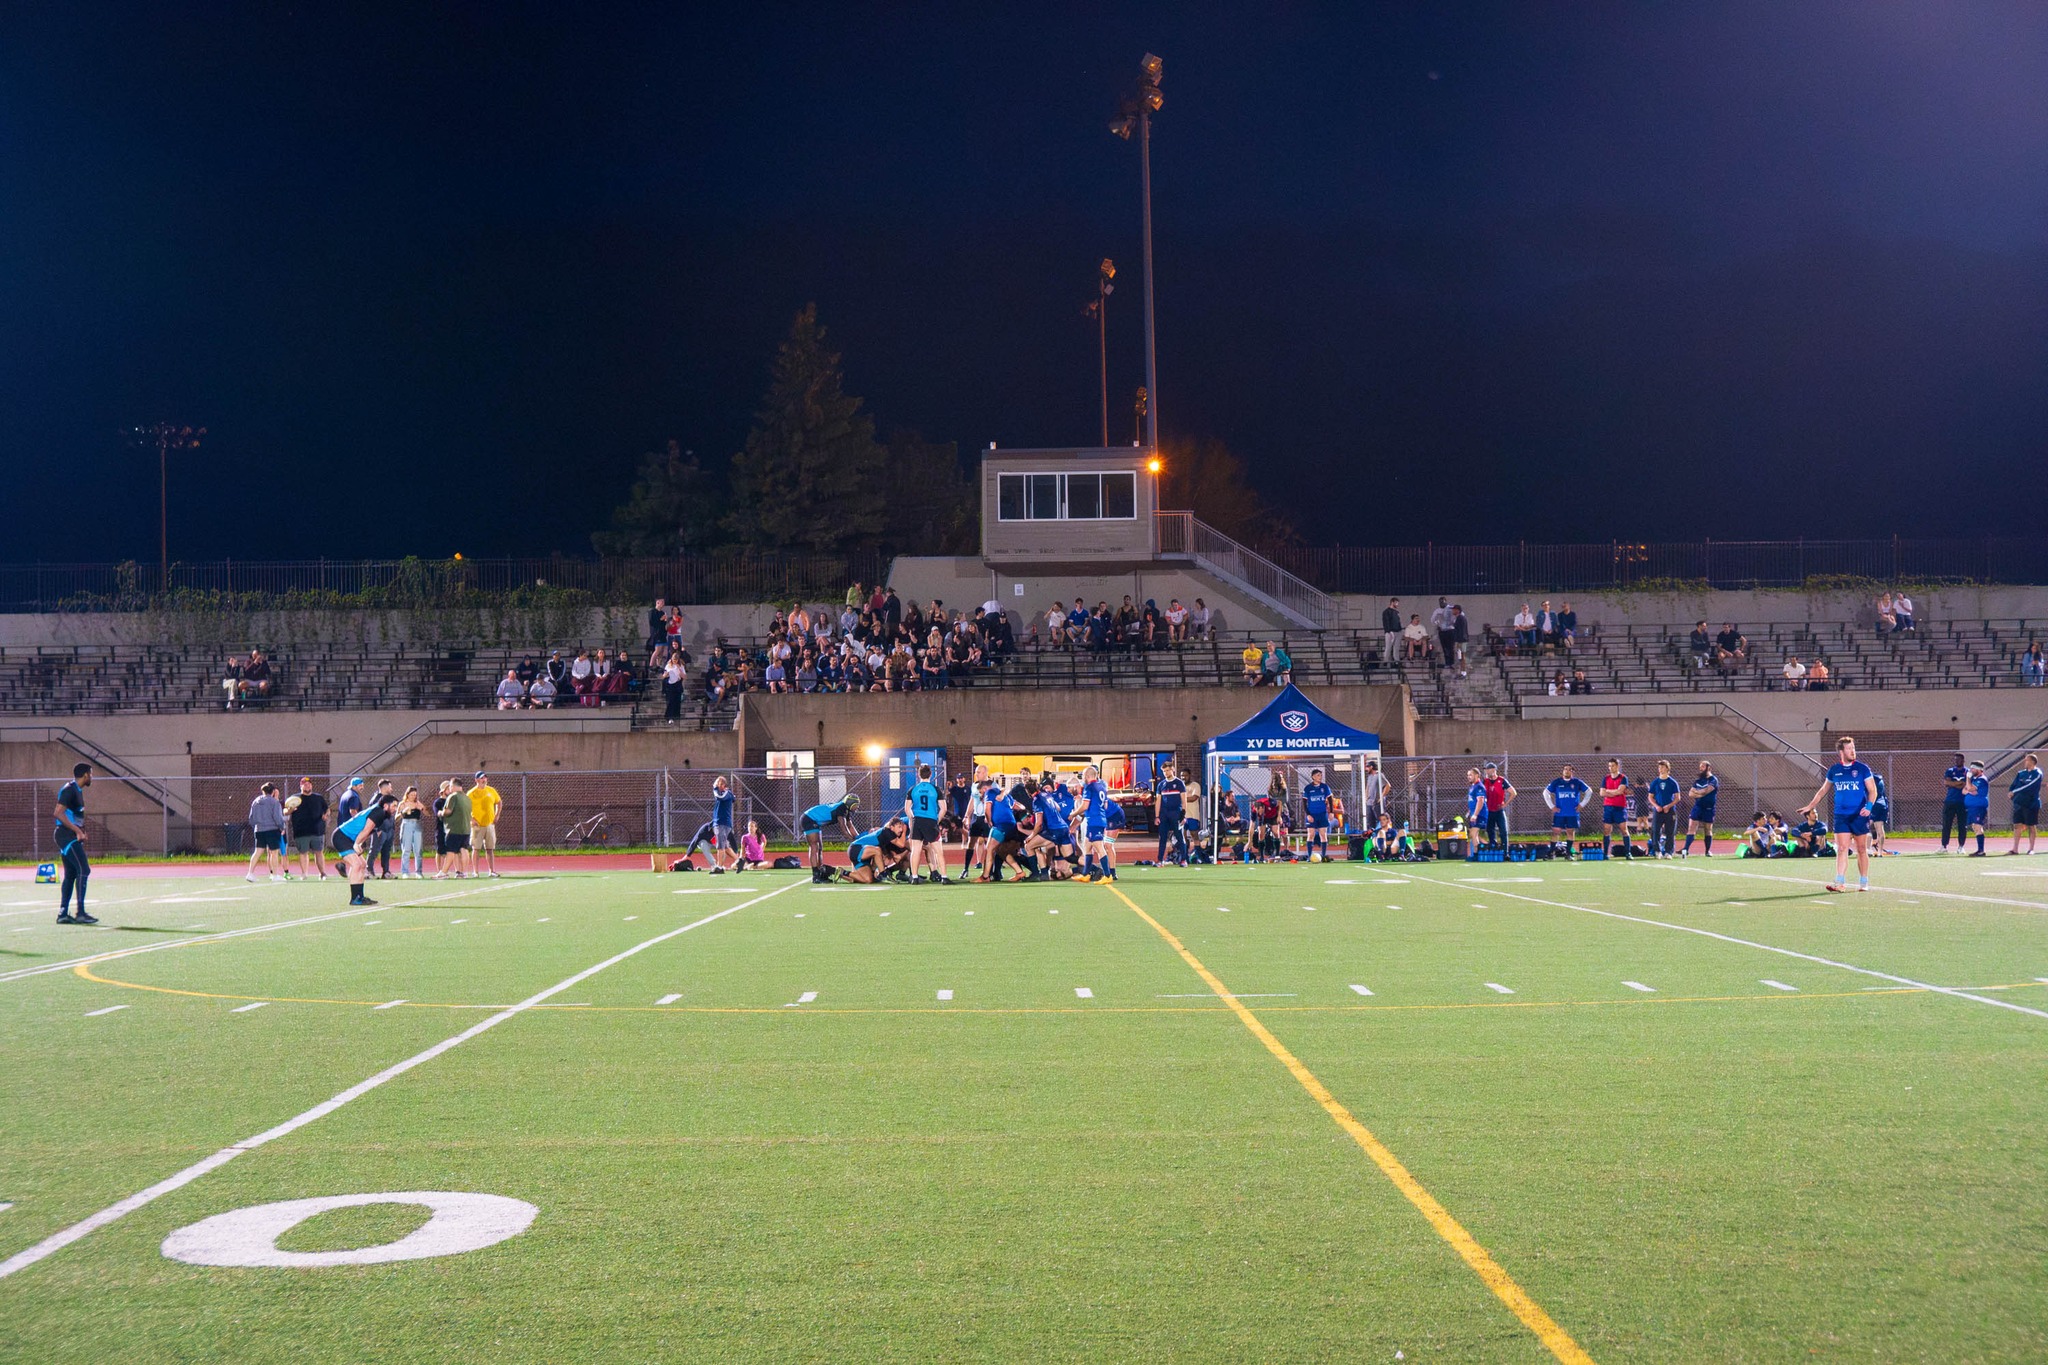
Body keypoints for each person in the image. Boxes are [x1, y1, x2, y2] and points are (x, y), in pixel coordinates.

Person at [1798, 735, 1877, 891]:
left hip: (1859, 815)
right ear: (1841, 751)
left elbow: (1872, 790)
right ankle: (1840, 882)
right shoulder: (1834, 770)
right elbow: (1822, 791)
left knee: (1861, 849)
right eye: (1849, 748)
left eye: (1853, 748)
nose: (1853, 751)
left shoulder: (1862, 768)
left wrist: (1868, 807)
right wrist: (1810, 805)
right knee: (1841, 848)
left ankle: (1864, 882)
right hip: (1841, 816)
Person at [331, 793, 395, 906]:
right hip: (342, 836)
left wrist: (358, 843)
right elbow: (366, 830)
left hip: (349, 838)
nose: (395, 808)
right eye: (393, 805)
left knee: (362, 864)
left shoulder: (382, 814)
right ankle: (355, 898)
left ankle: (360, 896)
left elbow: (369, 832)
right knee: (356, 864)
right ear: (385, 805)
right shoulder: (378, 812)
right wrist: (356, 844)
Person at [52, 762, 96, 924]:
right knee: (84, 869)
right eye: (91, 774)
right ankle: (81, 913)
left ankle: (63, 914)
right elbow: (58, 813)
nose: (92, 777)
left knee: (71, 874)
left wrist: (82, 831)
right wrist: (77, 831)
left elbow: (74, 815)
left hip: (69, 836)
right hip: (66, 836)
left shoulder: (77, 791)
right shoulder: (69, 790)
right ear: (85, 775)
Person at [799, 793, 862, 883]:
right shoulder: (841, 809)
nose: (857, 807)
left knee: (820, 848)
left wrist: (859, 838)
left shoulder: (846, 810)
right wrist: (854, 841)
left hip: (815, 820)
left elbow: (850, 826)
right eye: (856, 805)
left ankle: (820, 872)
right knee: (814, 847)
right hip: (809, 818)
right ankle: (816, 876)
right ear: (851, 804)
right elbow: (844, 829)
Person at [681, 776, 739, 873]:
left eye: (719, 783)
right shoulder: (705, 829)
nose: (716, 785)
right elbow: (695, 840)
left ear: (723, 785)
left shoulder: (725, 793)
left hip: (722, 823)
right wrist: (687, 855)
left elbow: (719, 797)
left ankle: (719, 868)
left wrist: (715, 788)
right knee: (723, 847)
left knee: (721, 847)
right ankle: (737, 861)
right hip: (720, 825)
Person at [904, 762, 949, 884]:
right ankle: (944, 877)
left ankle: (914, 877)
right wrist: (937, 820)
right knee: (938, 851)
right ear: (931, 774)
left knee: (915, 851)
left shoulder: (913, 789)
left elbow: (907, 808)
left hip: (917, 820)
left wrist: (913, 818)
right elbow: (943, 808)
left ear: (919, 775)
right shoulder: (935, 789)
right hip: (930, 821)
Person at [1074, 764, 1117, 882]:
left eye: (1083, 775)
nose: (1083, 778)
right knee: (1087, 846)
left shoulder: (1089, 787)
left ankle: (1108, 876)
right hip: (1097, 820)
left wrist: (1073, 814)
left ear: (1087, 776)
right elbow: (1106, 805)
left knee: (1099, 847)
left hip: (1094, 820)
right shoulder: (1102, 787)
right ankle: (1086, 874)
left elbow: (1084, 806)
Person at [846, 817, 911, 884]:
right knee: (877, 850)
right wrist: (905, 831)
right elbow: (902, 844)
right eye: (899, 827)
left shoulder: (889, 840)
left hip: (861, 853)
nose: (901, 830)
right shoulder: (887, 831)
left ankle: (842, 873)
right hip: (856, 848)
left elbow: (896, 858)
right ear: (892, 827)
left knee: (868, 879)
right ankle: (883, 875)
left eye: (902, 828)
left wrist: (908, 850)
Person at [288, 775, 329, 879]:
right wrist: (290, 810)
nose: (307, 786)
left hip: (317, 830)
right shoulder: (295, 798)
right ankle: (304, 874)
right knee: (303, 853)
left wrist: (326, 815)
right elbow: (285, 810)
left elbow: (327, 809)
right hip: (301, 831)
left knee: (318, 852)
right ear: (301, 786)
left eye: (309, 784)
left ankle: (322, 873)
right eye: (305, 784)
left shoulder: (318, 797)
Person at [246, 781, 288, 881]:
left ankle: (250, 873)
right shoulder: (274, 802)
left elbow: (251, 818)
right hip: (272, 830)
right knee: (274, 852)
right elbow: (277, 817)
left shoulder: (256, 801)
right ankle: (275, 875)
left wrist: (256, 827)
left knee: (258, 852)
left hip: (259, 830)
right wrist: (282, 827)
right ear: (273, 791)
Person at [1543, 764, 1590, 855]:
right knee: (1556, 832)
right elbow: (1545, 793)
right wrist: (1551, 806)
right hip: (1560, 813)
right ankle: (1551, 852)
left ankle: (1568, 853)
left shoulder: (1577, 782)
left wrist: (1582, 804)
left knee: (1570, 831)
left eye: (1569, 769)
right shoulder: (1557, 782)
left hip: (1572, 813)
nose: (1566, 771)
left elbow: (1589, 792)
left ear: (1572, 772)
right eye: (1565, 769)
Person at [468, 772, 503, 877]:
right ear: (476, 780)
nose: (483, 780)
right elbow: (465, 808)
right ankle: (475, 871)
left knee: (490, 848)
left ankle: (491, 871)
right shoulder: (471, 793)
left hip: (489, 824)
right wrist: (471, 819)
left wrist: (497, 815)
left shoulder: (491, 790)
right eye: (481, 778)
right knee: (476, 848)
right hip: (477, 826)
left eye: (485, 778)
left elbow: (499, 802)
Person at [1682, 761, 1719, 857]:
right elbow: (1690, 794)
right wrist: (1700, 793)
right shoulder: (1697, 781)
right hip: (1698, 807)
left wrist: (1697, 792)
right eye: (1700, 766)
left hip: (1709, 809)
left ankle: (1707, 851)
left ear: (1709, 768)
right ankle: (1685, 849)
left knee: (1708, 829)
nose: (1701, 768)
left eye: (1703, 766)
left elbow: (1706, 791)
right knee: (1691, 827)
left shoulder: (1713, 779)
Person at [439, 776, 473, 878]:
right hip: (466, 828)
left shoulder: (453, 796)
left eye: (450, 786)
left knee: (451, 851)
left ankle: (443, 872)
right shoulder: (467, 798)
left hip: (454, 829)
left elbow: (448, 811)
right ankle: (464, 872)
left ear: (453, 786)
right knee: (464, 849)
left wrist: (441, 813)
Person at [1155, 763, 1189, 866]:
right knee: (1163, 838)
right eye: (1164, 771)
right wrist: (1157, 816)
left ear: (1172, 770)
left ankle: (1184, 860)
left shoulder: (1179, 783)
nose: (1165, 773)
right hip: (1164, 815)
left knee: (1180, 837)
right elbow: (1158, 801)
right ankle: (1160, 860)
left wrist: (1183, 815)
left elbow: (1184, 800)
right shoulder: (1161, 785)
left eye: (1167, 771)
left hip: (1176, 814)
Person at [1646, 760, 1680, 857]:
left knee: (1670, 831)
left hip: (1670, 810)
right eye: (1659, 767)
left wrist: (1668, 806)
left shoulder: (1673, 782)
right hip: (1658, 810)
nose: (1660, 769)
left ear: (1667, 768)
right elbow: (1650, 797)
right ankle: (1657, 851)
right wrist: (1656, 806)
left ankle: (1668, 852)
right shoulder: (1655, 782)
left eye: (1662, 767)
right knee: (1655, 830)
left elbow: (1678, 797)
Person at [2010, 753, 2042, 855]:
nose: (2025, 762)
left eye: (2027, 760)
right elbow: (2014, 785)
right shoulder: (2021, 773)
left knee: (2031, 826)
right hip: (2019, 803)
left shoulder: (2037, 774)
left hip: (2031, 804)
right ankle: (2015, 849)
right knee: (2017, 825)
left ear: (2032, 762)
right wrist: (2011, 792)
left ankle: (2031, 849)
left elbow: (2029, 786)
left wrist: (2014, 792)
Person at [1480, 762, 1514, 854]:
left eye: (1488, 769)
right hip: (1488, 810)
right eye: (1486, 770)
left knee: (1503, 831)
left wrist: (1505, 804)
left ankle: (1505, 852)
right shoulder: (1485, 781)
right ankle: (1493, 848)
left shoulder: (1502, 780)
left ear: (1494, 770)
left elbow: (1513, 792)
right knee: (1490, 831)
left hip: (1499, 810)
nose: (1486, 771)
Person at [1940, 753, 1971, 852]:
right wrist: (1957, 783)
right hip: (1950, 801)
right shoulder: (1950, 771)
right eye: (1955, 760)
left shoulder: (1967, 772)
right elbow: (1946, 783)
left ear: (1963, 761)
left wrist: (1954, 784)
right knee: (1946, 824)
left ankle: (1961, 846)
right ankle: (1944, 846)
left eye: (1959, 760)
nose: (1957, 761)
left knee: (1962, 825)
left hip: (1962, 802)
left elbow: (1966, 785)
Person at [1301, 768, 1333, 862]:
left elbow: (1330, 799)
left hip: (1322, 814)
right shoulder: (1308, 788)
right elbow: (1304, 803)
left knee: (1323, 834)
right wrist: (1308, 815)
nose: (1320, 777)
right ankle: (1309, 856)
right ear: (1313, 777)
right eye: (1318, 775)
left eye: (1321, 775)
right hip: (1312, 815)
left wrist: (1331, 812)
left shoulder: (1325, 787)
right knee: (1310, 834)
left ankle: (1323, 856)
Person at [1599, 759, 1630, 858]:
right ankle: (1605, 854)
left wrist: (1608, 792)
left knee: (1624, 830)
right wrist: (1613, 792)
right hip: (1608, 807)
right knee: (1607, 830)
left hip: (1620, 807)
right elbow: (1602, 793)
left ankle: (1628, 853)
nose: (1610, 768)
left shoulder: (1623, 778)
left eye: (1613, 765)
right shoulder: (1606, 778)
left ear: (1617, 766)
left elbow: (1620, 791)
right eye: (1609, 766)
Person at [396, 785, 428, 878]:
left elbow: (427, 813)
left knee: (418, 850)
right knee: (406, 849)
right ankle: (405, 871)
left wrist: (422, 808)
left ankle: (418, 871)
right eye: (411, 795)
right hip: (406, 825)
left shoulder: (418, 803)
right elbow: (396, 818)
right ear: (407, 794)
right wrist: (403, 812)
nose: (413, 796)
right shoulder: (402, 804)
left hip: (417, 824)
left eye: (415, 795)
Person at [1962, 760, 1992, 856]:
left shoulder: (1981, 779)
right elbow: (1964, 791)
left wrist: (1967, 779)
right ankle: (1979, 849)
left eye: (1973, 768)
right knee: (1974, 826)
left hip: (1978, 807)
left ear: (1979, 769)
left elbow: (1969, 789)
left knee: (1978, 826)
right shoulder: (1974, 780)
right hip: (1972, 807)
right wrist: (1970, 789)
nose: (1970, 770)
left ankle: (1981, 850)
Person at [1462, 766, 1486, 859]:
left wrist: (1475, 814)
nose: (1469, 777)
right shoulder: (1472, 787)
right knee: (1473, 833)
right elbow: (1473, 801)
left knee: (1474, 833)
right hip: (1474, 814)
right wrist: (1470, 812)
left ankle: (1477, 854)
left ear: (1477, 775)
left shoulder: (1479, 786)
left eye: (1471, 775)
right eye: (1468, 775)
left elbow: (1480, 801)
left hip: (1480, 814)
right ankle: (1481, 850)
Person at [1868, 769, 1892, 855]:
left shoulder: (1869, 781)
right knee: (1876, 827)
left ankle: (1872, 850)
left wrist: (1867, 808)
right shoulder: (1879, 779)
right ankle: (1878, 849)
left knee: (1868, 827)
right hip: (1883, 805)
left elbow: (1871, 795)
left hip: (1875, 805)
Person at [1380, 598, 1403, 664]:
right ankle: (1385, 660)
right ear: (1392, 602)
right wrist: (1389, 631)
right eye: (1396, 603)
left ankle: (1396, 661)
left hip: (1398, 631)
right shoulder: (1386, 612)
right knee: (1388, 647)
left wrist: (1400, 630)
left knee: (1396, 647)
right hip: (1390, 631)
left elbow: (1398, 622)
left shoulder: (1396, 612)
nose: (1397, 604)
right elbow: (1386, 622)